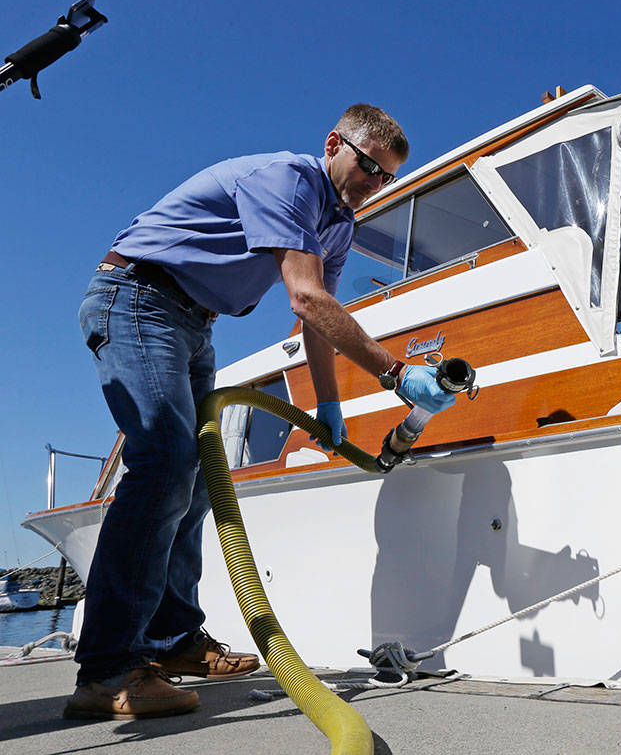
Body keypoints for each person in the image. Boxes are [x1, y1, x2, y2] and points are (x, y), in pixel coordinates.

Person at [67, 104, 455, 720]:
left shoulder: (338, 226)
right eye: (369, 167)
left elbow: (317, 318)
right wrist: (397, 374)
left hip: (194, 322)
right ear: (335, 144)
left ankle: (172, 641)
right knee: (164, 463)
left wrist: (327, 402)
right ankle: (108, 670)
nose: (375, 184)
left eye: (387, 177)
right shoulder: (288, 180)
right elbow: (306, 298)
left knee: (196, 477)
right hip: (138, 298)